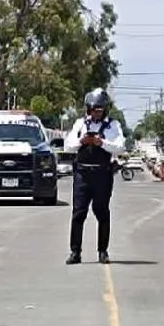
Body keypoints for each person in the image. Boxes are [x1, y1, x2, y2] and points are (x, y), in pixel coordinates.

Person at [65, 88, 126, 264]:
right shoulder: (80, 124)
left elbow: (120, 147)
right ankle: (75, 252)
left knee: (102, 212)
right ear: (88, 109)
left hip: (102, 174)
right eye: (94, 109)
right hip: (82, 174)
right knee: (78, 213)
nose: (97, 113)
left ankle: (103, 251)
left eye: (100, 109)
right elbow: (68, 146)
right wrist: (81, 141)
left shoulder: (113, 126)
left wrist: (102, 143)